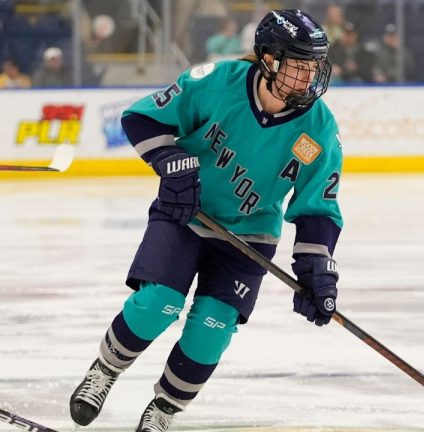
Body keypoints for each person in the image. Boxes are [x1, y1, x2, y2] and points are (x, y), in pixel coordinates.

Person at [68, 9, 342, 432]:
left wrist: (316, 269)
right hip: (185, 212)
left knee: (213, 327)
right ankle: (104, 370)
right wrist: (170, 161)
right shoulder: (216, 82)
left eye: (313, 68)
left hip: (249, 234)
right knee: (158, 302)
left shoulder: (318, 128)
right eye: (298, 66)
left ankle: (164, 409)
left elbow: (318, 206)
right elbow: (141, 118)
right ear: (269, 60)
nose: (308, 79)